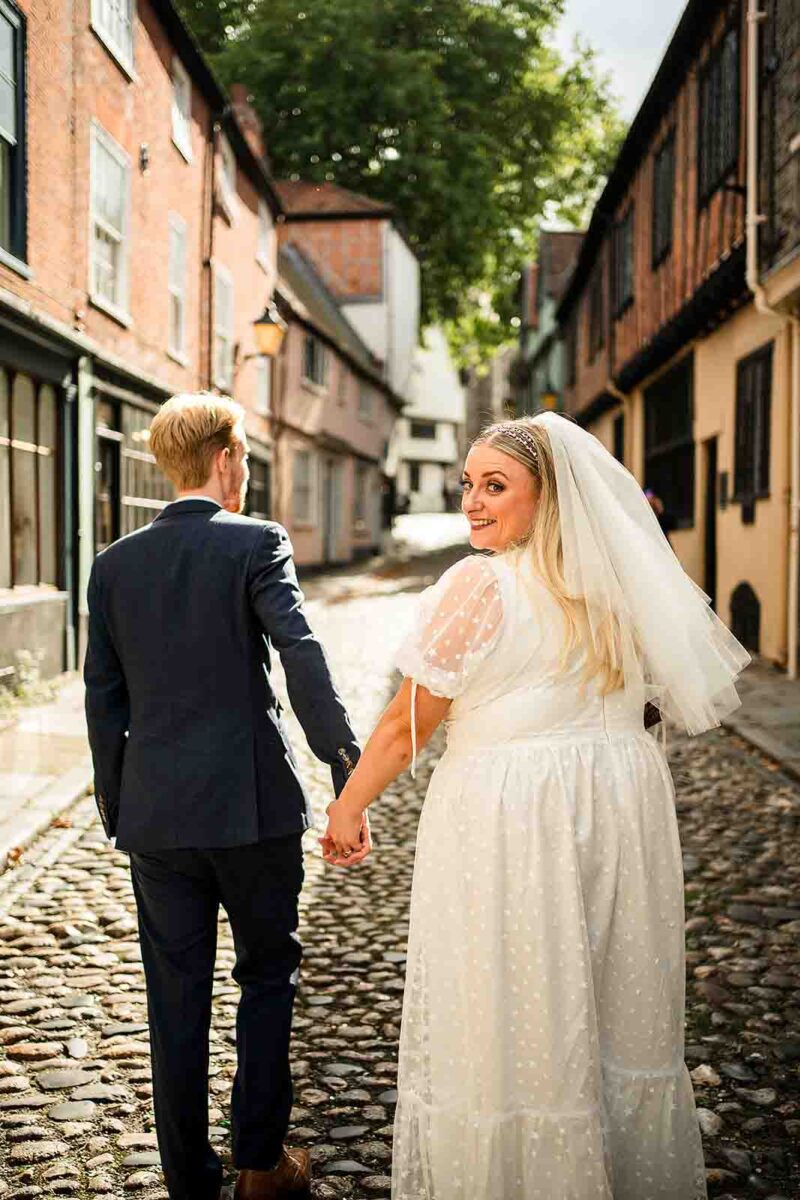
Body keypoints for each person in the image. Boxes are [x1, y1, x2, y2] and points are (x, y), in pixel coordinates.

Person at [321, 412, 750, 1200]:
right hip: (619, 804)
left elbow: (406, 724)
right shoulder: (617, 586)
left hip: (516, 816)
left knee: (516, 998)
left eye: (496, 486)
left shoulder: (480, 584)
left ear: (548, 497)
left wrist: (348, 806)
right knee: (612, 999)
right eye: (468, 484)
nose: (473, 502)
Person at [84, 393, 366, 1200]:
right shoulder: (256, 541)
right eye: (243, 456)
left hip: (157, 821)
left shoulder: (113, 565)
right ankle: (259, 1167)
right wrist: (344, 761)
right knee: (267, 977)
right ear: (223, 460)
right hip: (253, 811)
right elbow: (299, 652)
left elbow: (103, 697)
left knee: (173, 997)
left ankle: (187, 1177)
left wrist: (120, 804)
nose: (244, 471)